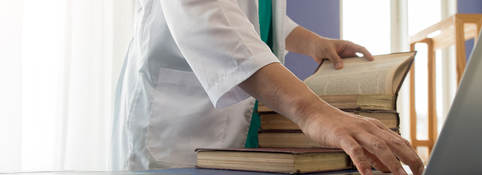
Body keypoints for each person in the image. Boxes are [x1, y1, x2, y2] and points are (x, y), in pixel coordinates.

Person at [112, 0, 424, 175]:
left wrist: (312, 42)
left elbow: (253, 13)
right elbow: (205, 12)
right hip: (180, 123)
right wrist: (311, 111)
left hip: (238, 124)